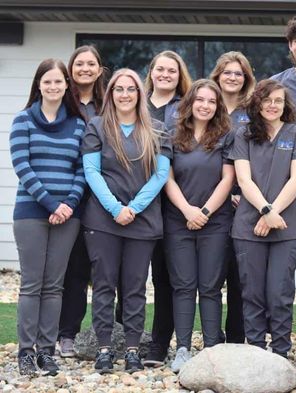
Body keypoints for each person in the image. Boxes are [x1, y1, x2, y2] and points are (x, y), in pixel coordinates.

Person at [82, 68, 172, 374]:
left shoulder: (158, 130)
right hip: (103, 221)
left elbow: (161, 175)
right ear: (110, 94)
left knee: (135, 288)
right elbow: (91, 172)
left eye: (130, 89)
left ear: (139, 94)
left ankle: (133, 349)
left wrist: (133, 208)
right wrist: (114, 208)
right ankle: (104, 349)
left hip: (142, 221)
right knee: (104, 285)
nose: (124, 94)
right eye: (118, 89)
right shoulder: (96, 127)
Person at [10, 58, 86, 376]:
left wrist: (68, 204)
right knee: (32, 285)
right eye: (47, 81)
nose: (53, 86)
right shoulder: (23, 120)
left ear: (66, 85)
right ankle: (26, 353)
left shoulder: (79, 124)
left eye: (58, 81)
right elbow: (22, 166)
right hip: (31, 213)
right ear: (38, 85)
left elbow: (83, 169)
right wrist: (51, 204)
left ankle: (46, 351)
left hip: (68, 216)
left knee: (55, 286)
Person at [229, 79, 296, 358]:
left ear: (285, 104)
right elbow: (243, 179)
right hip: (248, 225)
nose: (272, 105)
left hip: (285, 227)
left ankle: (280, 353)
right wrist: (266, 211)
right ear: (257, 103)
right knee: (252, 293)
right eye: (266, 100)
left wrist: (273, 212)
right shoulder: (243, 134)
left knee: (279, 293)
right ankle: (255, 353)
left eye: (278, 100)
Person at [163, 79, 235, 372]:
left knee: (210, 287)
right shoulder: (172, 135)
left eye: (211, 101)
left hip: (215, 222)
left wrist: (203, 211)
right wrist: (187, 210)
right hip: (178, 221)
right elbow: (166, 178)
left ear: (218, 106)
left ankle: (210, 348)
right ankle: (182, 348)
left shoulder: (226, 137)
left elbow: (228, 179)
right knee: (183, 286)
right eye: (200, 100)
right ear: (190, 103)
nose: (205, 105)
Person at [143, 50, 192, 368]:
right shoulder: (137, 102)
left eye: (171, 70)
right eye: (159, 69)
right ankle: (128, 339)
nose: (164, 74)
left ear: (179, 75)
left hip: (172, 204)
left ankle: (160, 343)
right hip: (133, 204)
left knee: (165, 278)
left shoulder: (184, 109)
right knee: (129, 279)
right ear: (151, 72)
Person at [58, 45, 107, 359]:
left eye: (91, 64)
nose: (85, 69)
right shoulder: (62, 102)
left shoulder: (109, 104)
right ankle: (67, 335)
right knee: (74, 270)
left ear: (100, 70)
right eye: (79, 64)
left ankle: (113, 333)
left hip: (105, 197)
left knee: (107, 271)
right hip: (72, 196)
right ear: (70, 69)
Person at [210, 51, 256, 344]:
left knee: (241, 277)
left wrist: (242, 193)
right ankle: (212, 338)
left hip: (243, 204)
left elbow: (258, 160)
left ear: (246, 79)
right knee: (211, 276)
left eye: (238, 73)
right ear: (218, 75)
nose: (232, 77)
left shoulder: (252, 114)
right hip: (208, 204)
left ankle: (238, 339)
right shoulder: (205, 107)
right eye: (227, 72)